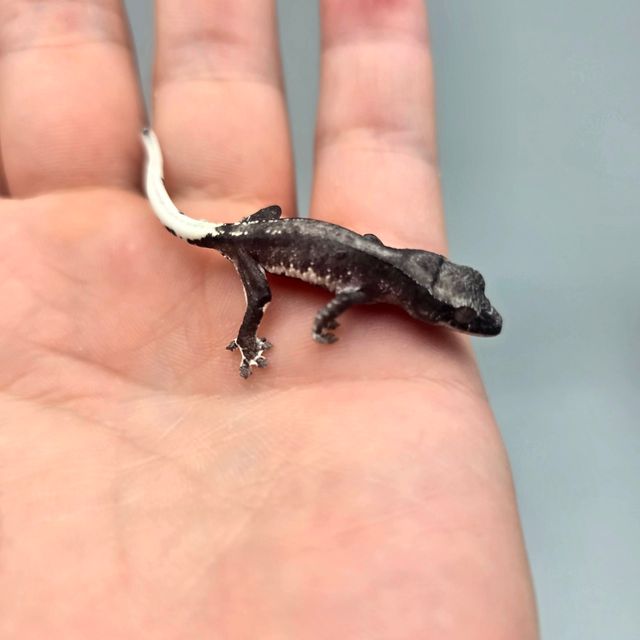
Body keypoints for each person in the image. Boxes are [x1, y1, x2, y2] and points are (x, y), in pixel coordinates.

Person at [0, 1, 538, 637]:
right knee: (260, 300)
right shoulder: (373, 283)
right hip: (251, 245)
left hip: (265, 228)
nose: (467, 323)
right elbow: (335, 302)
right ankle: (243, 341)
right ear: (427, 300)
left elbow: (356, 266)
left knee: (274, 234)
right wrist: (324, 327)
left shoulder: (384, 274)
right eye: (457, 315)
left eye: (461, 315)